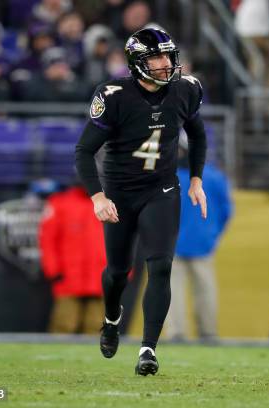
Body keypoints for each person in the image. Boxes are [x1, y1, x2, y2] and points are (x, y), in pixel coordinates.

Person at [75, 27, 207, 376]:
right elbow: (84, 151)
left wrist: (196, 179)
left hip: (161, 189)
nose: (165, 64)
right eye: (156, 57)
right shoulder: (114, 94)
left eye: (168, 55)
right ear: (137, 63)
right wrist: (98, 196)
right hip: (119, 192)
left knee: (160, 266)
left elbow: (197, 134)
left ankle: (148, 349)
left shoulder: (186, 90)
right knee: (118, 272)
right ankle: (111, 317)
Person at [165, 139, 232, 341]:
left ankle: (176, 332)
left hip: (172, 244)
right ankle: (208, 332)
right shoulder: (214, 177)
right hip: (202, 244)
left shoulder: (169, 178)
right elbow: (226, 212)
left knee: (173, 291)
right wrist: (213, 235)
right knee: (205, 291)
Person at [39, 182, 106, 334]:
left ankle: (95, 359)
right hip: (68, 277)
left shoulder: (110, 202)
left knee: (97, 327)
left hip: (100, 277)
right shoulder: (59, 202)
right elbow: (47, 239)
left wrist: (122, 271)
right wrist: (53, 269)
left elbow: (123, 239)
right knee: (64, 324)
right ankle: (57, 358)